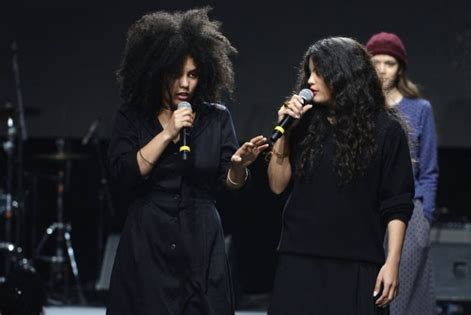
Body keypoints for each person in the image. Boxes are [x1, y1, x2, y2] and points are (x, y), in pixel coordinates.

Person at [106, 8, 268, 315]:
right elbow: (125, 173)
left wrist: (237, 167)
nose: (184, 83)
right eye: (176, 74)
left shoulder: (216, 117)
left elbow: (229, 183)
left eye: (192, 75)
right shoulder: (133, 116)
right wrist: (168, 132)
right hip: (148, 236)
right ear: (155, 72)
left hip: (201, 236)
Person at [266, 37, 415, 314]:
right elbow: (277, 186)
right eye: (309, 72)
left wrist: (392, 263)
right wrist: (283, 133)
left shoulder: (386, 130)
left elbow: (397, 203)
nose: (310, 80)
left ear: (344, 74)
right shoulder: (304, 123)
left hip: (356, 263)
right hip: (300, 258)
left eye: (319, 72)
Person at [366, 31, 438, 315]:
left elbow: (429, 170)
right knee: (368, 288)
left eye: (390, 62)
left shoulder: (419, 109)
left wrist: (425, 216)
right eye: (376, 61)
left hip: (409, 211)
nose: (382, 69)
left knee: (401, 295)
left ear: (400, 68)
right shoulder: (363, 108)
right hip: (368, 208)